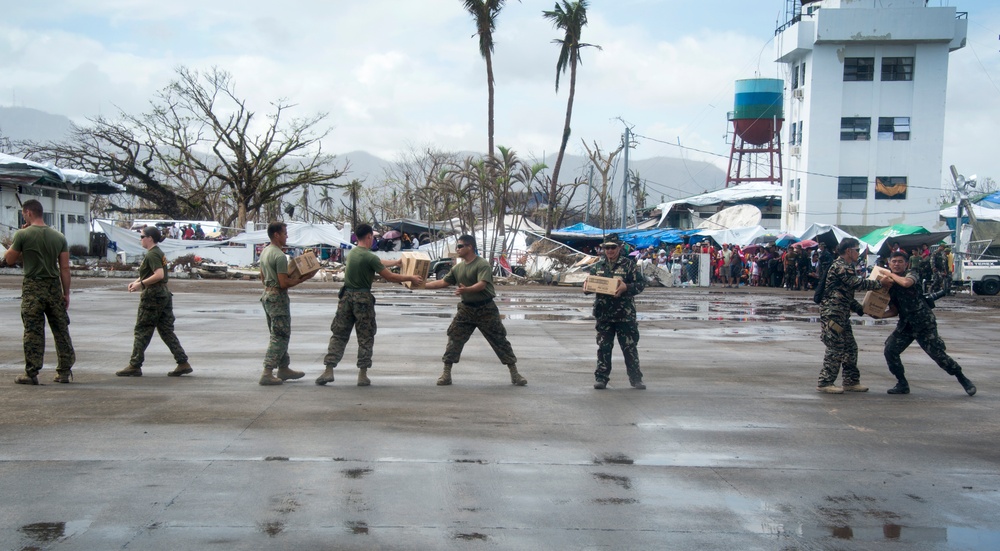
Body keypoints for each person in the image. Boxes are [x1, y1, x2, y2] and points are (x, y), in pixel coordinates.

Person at [317, 223, 422, 386]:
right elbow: (389, 277)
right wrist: (411, 278)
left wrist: (396, 263)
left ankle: (328, 370)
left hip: (346, 298)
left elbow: (377, 262)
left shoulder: (353, 253)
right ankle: (362, 374)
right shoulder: (369, 256)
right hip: (362, 299)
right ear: (368, 237)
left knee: (339, 334)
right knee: (365, 336)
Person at [421, 234, 526, 386]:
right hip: (466, 310)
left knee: (499, 340)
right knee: (454, 339)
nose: (457, 249)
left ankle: (515, 373)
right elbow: (443, 282)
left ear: (470, 247)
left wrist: (467, 289)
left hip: (486, 309)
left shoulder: (482, 264)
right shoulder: (458, 268)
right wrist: (420, 285)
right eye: (457, 246)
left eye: (460, 246)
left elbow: (482, 284)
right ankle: (446, 373)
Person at [877, 251, 976, 396]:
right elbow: (894, 310)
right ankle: (902, 383)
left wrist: (889, 274)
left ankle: (962, 378)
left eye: (900, 261)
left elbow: (906, 283)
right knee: (890, 350)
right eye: (894, 262)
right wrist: (879, 315)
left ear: (906, 264)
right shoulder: (889, 285)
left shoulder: (912, 274)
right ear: (889, 263)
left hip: (924, 323)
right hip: (906, 325)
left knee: (938, 355)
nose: (897, 264)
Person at [5, 200, 76, 384]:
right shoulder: (59, 237)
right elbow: (65, 268)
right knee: (60, 329)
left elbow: (10, 259)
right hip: (53, 287)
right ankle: (64, 371)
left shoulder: (23, 234)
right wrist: (66, 293)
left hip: (33, 287)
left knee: (33, 330)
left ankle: (32, 373)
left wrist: (20, 240)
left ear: (28, 213)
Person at [116, 226, 192, 377]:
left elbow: (158, 274)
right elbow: (151, 273)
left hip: (153, 295)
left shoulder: (152, 254)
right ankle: (182, 362)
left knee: (142, 329)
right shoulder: (156, 253)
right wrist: (137, 281)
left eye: (142, 236)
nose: (140, 239)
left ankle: (135, 364)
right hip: (162, 293)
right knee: (165, 330)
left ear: (150, 238)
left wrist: (141, 284)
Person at [816, 238, 884, 394]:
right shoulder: (842, 266)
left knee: (850, 348)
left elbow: (845, 294)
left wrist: (860, 309)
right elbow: (856, 283)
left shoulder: (845, 266)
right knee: (835, 348)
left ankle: (851, 381)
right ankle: (825, 382)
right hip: (833, 314)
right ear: (849, 251)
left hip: (841, 315)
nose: (858, 254)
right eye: (857, 250)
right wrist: (880, 284)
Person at [258, 222, 316, 386]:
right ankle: (268, 371)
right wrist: (304, 277)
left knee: (277, 332)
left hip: (267, 295)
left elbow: (262, 277)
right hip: (278, 297)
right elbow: (284, 283)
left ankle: (284, 367)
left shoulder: (265, 252)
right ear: (276, 235)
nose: (287, 236)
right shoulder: (279, 256)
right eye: (284, 233)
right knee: (280, 336)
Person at [586, 235, 646, 389]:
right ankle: (601, 378)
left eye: (613, 247)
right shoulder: (597, 266)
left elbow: (640, 284)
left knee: (629, 348)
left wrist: (627, 288)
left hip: (624, 315)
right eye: (607, 247)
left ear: (619, 247)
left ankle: (635, 379)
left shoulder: (628, 265)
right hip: (604, 314)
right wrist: (586, 288)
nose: (610, 250)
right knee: (604, 347)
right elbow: (591, 284)